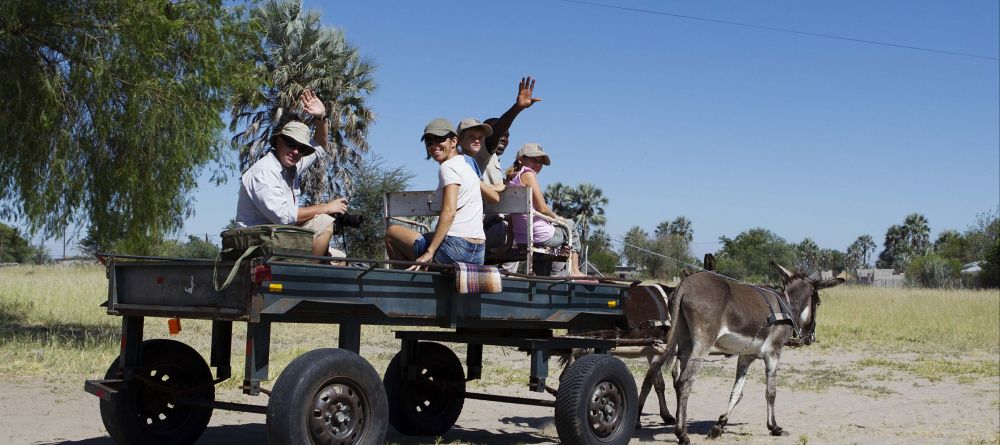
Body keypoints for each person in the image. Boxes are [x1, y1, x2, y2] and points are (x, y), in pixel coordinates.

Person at [234, 89, 348, 260]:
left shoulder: (291, 165)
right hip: (256, 244)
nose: (295, 151)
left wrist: (321, 117)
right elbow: (284, 217)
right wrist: (327, 207)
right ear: (279, 141)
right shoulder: (264, 171)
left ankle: (309, 273)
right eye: (291, 144)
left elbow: (320, 145)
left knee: (340, 259)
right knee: (324, 223)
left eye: (301, 148)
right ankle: (304, 277)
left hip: (278, 238)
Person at [385, 118, 498, 270]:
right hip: (478, 252)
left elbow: (449, 211)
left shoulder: (448, 167)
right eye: (429, 142)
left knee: (391, 233)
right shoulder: (467, 166)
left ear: (453, 141)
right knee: (429, 237)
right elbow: (491, 197)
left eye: (440, 139)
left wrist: (430, 252)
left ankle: (407, 288)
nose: (434, 146)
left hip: (455, 249)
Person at [505, 143, 582, 275]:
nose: (538, 164)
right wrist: (558, 218)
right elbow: (542, 208)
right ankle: (575, 270)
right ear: (521, 159)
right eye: (534, 160)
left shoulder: (511, 180)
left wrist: (508, 245)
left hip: (522, 239)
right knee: (570, 225)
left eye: (540, 162)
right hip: (541, 237)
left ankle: (547, 271)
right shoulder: (528, 175)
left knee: (561, 234)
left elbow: (513, 217)